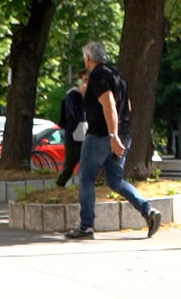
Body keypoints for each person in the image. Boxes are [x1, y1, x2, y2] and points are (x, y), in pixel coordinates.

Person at [65, 42, 161, 240]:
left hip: (102, 135)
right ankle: (148, 210)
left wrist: (112, 135)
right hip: (123, 134)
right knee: (116, 181)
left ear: (88, 58)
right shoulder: (116, 74)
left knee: (85, 178)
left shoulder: (98, 75)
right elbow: (127, 105)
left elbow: (109, 104)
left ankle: (86, 227)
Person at [55, 69, 88, 187]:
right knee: (70, 165)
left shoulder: (90, 96)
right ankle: (60, 185)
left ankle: (83, 185)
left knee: (88, 164)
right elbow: (77, 114)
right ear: (79, 81)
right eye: (85, 80)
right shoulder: (72, 96)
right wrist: (84, 96)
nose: (87, 83)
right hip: (75, 137)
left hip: (87, 135)